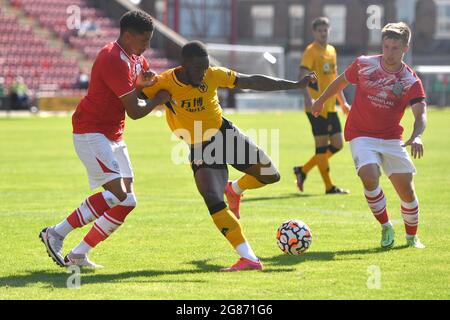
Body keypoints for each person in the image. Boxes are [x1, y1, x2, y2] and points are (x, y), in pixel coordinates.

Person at [142, 41, 317, 271]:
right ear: (183, 66)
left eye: (205, 68)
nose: (203, 74)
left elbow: (251, 81)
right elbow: (134, 103)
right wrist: (142, 86)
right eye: (198, 69)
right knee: (213, 199)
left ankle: (234, 189)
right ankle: (249, 258)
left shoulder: (213, 75)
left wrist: (294, 85)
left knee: (270, 175)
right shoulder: (163, 82)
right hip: (199, 145)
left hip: (225, 133)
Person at [39, 10, 170, 268]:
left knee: (128, 200)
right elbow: (135, 111)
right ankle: (56, 233)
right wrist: (158, 100)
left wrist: (147, 89)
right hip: (91, 131)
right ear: (128, 35)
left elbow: (137, 97)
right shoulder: (113, 58)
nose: (147, 46)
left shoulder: (136, 60)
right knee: (117, 195)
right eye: (144, 40)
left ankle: (77, 254)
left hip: (113, 134)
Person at [311, 22, 427, 249]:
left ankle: (412, 237)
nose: (390, 53)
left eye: (395, 48)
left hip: (393, 138)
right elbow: (340, 81)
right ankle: (386, 226)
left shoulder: (410, 80)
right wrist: (321, 100)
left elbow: (420, 114)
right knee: (369, 175)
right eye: (386, 46)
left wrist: (418, 135)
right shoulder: (364, 64)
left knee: (406, 190)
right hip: (361, 133)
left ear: (406, 47)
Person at [294, 17, 351, 195]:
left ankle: (303, 170)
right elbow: (302, 75)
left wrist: (343, 103)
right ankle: (329, 187)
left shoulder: (332, 51)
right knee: (321, 147)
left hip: (331, 107)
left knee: (337, 144)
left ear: (329, 30)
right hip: (316, 107)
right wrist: (309, 99)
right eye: (319, 30)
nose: (323, 33)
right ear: (314, 32)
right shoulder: (311, 51)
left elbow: (335, 80)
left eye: (325, 30)